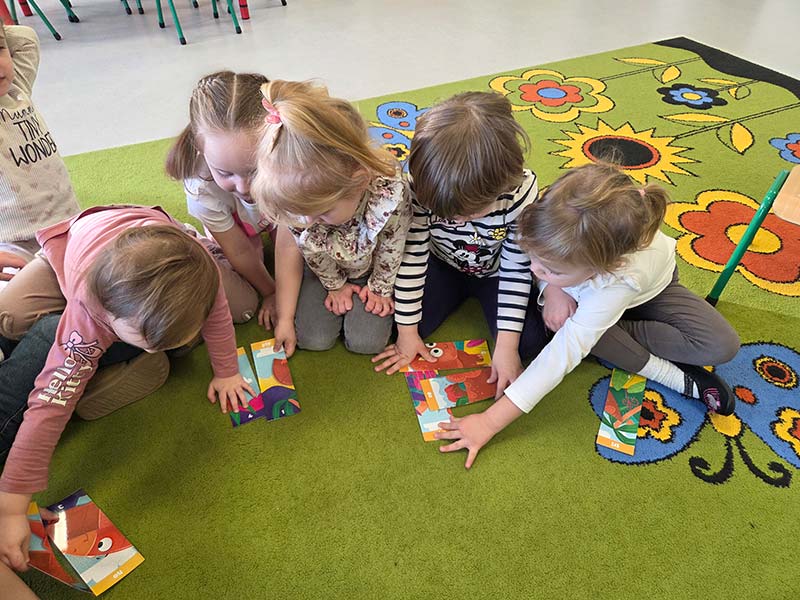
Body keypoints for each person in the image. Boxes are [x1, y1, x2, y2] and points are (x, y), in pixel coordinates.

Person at [0, 206, 255, 572]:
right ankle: (126, 359)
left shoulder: (203, 275)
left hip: (143, 244)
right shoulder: (89, 313)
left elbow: (217, 319)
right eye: (145, 342)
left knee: (241, 308)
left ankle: (137, 353)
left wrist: (227, 371)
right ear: (108, 315)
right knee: (12, 319)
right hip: (73, 250)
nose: (155, 345)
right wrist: (11, 506)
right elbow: (50, 405)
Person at [436, 163, 741, 468]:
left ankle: (608, 337)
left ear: (601, 268)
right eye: (535, 258)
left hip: (651, 293)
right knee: (577, 327)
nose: (533, 270)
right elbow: (543, 264)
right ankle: (676, 377)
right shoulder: (558, 214)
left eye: (550, 270)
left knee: (722, 345)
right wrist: (551, 288)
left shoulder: (620, 276)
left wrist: (489, 422)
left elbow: (559, 357)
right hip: (585, 303)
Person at [372, 92, 547, 398]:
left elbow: (516, 269)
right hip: (441, 265)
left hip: (496, 274)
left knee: (527, 344)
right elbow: (412, 255)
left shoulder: (519, 193)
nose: (458, 221)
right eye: (448, 214)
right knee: (397, 328)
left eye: (470, 213)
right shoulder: (420, 188)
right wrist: (408, 333)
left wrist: (506, 347)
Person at [252, 80, 411, 356]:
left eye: (322, 212)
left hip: (374, 269)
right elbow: (308, 248)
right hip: (326, 268)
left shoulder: (389, 194)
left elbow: (393, 245)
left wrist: (380, 288)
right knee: (313, 338)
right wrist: (335, 286)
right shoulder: (301, 207)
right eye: (300, 214)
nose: (307, 221)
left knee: (366, 343)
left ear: (359, 182)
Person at [166, 70, 276, 327]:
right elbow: (238, 249)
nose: (244, 187)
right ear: (200, 150)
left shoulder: (286, 159)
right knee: (249, 270)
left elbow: (289, 229)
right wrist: (271, 292)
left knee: (303, 256)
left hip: (275, 212)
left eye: (255, 171)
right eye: (225, 173)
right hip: (236, 227)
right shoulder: (200, 190)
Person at [0, 24, 79, 285]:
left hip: (70, 225)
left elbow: (26, 38)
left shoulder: (16, 89)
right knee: (14, 299)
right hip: (16, 244)